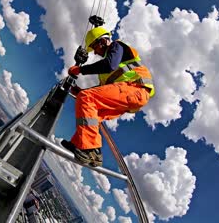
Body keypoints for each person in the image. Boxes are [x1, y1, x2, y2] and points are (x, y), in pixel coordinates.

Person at [61, 26, 155, 167]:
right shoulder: (107, 68)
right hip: (129, 96)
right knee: (94, 112)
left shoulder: (116, 46)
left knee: (87, 98)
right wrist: (80, 91)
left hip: (135, 89)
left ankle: (91, 149)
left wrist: (81, 69)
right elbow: (101, 92)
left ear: (102, 42)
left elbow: (110, 65)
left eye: (94, 47)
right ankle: (80, 145)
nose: (96, 52)